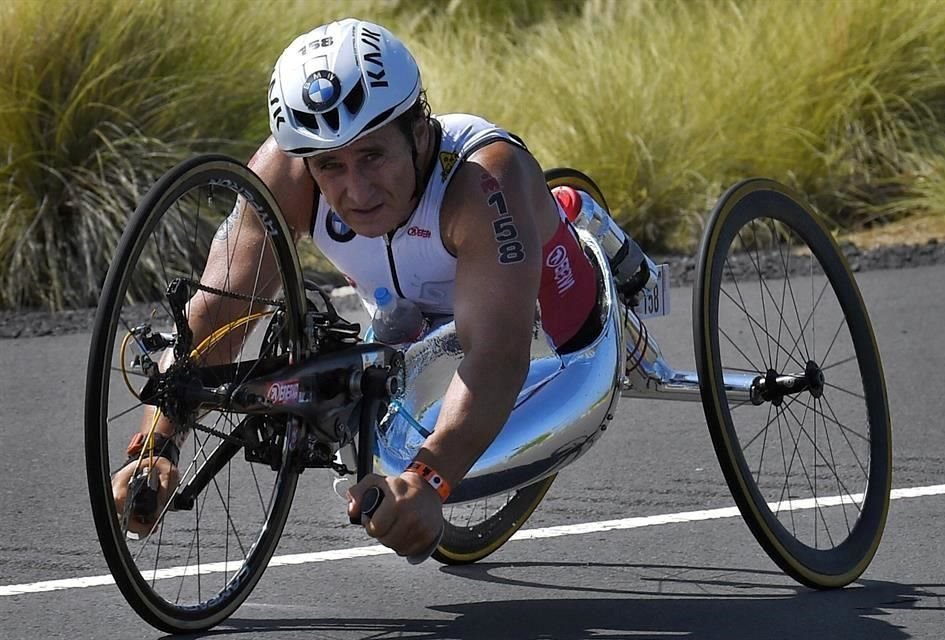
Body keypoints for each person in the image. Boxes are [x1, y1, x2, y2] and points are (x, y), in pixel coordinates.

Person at [112, 18, 601, 561]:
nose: (356, 190)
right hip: (410, 323)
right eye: (331, 166)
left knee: (416, 453)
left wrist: (431, 479)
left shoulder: (481, 182)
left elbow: (496, 355)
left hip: (544, 322)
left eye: (372, 156)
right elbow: (216, 314)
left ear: (418, 133)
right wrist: (158, 444)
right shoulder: (287, 173)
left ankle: (582, 223)